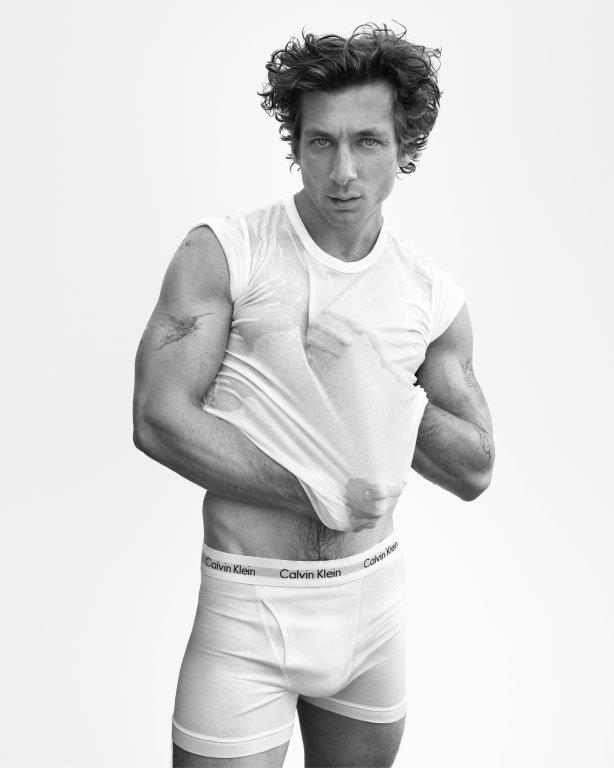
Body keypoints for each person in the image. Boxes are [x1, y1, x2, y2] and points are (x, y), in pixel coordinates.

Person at [133, 22, 495, 768]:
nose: (342, 171)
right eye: (321, 142)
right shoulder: (227, 252)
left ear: (405, 148)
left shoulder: (431, 296)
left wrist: (377, 386)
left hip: (372, 607)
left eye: (368, 142)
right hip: (248, 611)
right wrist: (318, 487)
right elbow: (158, 419)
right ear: (294, 144)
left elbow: (475, 468)